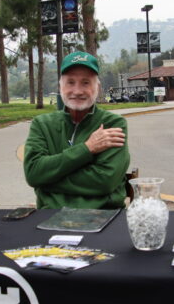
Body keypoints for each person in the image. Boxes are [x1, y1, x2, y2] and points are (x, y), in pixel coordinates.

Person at [23, 51, 130, 209]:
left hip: (102, 217)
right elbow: (33, 173)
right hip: (50, 217)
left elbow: (105, 182)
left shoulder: (113, 124)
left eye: (86, 83)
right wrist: (87, 149)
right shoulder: (42, 124)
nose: (78, 91)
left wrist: (47, 180)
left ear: (97, 87)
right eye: (70, 82)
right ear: (60, 86)